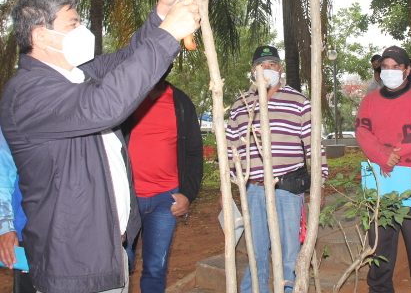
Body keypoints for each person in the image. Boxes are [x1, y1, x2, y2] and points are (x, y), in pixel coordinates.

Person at [0, 0, 200, 293]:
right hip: (73, 267)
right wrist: (168, 34)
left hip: (108, 253)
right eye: (73, 24)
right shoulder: (27, 93)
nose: (83, 31)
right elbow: (105, 105)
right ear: (41, 36)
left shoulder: (76, 76)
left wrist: (163, 11)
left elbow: (128, 58)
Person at [226, 45, 328, 293]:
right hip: (253, 190)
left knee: (289, 253)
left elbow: (314, 145)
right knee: (255, 252)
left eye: (272, 64)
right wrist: (227, 187)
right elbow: (231, 149)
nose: (267, 69)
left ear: (280, 69)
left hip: (287, 190)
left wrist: (320, 182)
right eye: (261, 65)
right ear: (253, 70)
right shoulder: (240, 105)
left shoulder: (299, 102)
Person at [355, 45, 411, 293]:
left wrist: (394, 154)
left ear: (407, 70)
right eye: (385, 67)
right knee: (379, 244)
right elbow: (362, 130)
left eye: (396, 67)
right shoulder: (370, 100)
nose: (389, 71)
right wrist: (382, 156)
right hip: (380, 178)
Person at [123, 70, 203, 293]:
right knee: (121, 263)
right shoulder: (126, 97)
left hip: (165, 201)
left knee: (155, 268)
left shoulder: (181, 102)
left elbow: (194, 153)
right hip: (127, 201)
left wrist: (188, 194)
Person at [0, 127, 35, 293]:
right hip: (28, 229)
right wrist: (5, 226)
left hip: (78, 230)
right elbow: (3, 171)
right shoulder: (13, 114)